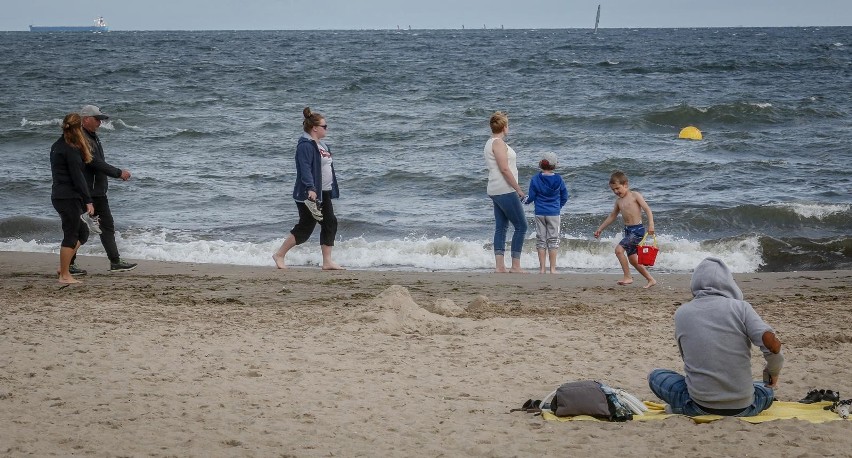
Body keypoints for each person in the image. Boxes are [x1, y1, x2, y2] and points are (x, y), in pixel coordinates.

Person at [648, 257, 783, 417]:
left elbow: (687, 359)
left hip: (699, 405)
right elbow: (772, 346)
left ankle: (681, 408)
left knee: (655, 376)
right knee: (766, 389)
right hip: (745, 406)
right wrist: (772, 372)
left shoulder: (682, 313)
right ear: (728, 281)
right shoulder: (742, 308)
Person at [273, 107, 343, 270]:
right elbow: (304, 168)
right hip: (309, 193)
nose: (327, 129)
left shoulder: (322, 145)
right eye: (324, 126)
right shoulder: (305, 146)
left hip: (323, 192)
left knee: (330, 222)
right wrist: (311, 188)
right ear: (315, 128)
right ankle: (279, 255)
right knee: (305, 228)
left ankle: (327, 262)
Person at [76, 105, 137, 272]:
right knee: (79, 229)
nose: (100, 123)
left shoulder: (92, 136)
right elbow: (94, 162)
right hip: (87, 192)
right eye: (97, 119)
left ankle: (115, 261)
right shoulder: (82, 137)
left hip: (98, 191)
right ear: (86, 119)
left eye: (101, 120)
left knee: (107, 225)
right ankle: (69, 264)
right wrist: (118, 173)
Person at [50, 113, 96, 284]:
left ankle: (63, 266)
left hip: (61, 195)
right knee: (71, 234)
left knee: (83, 233)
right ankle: (64, 275)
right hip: (67, 197)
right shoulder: (70, 149)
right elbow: (78, 177)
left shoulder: (57, 145)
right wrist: (88, 200)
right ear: (79, 129)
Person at [593, 170, 656, 288]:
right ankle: (650, 279)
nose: (616, 191)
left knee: (618, 250)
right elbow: (612, 216)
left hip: (637, 230)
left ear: (625, 184)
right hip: (628, 231)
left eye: (618, 188)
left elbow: (647, 209)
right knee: (633, 260)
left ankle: (628, 277)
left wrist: (651, 224)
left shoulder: (635, 196)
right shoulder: (618, 201)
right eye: (613, 190)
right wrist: (600, 229)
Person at [484, 111, 527, 273]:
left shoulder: (490, 142)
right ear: (504, 127)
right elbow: (504, 168)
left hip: (495, 188)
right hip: (504, 189)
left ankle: (500, 266)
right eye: (508, 125)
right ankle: (515, 266)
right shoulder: (498, 143)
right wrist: (519, 189)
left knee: (501, 226)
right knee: (521, 226)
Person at [523, 152, 568, 273]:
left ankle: (542, 268)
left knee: (541, 240)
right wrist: (558, 206)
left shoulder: (535, 179)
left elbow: (531, 197)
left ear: (540, 165)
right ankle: (552, 269)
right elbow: (565, 196)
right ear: (554, 166)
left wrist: (524, 200)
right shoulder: (558, 179)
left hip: (540, 213)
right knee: (553, 239)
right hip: (553, 212)